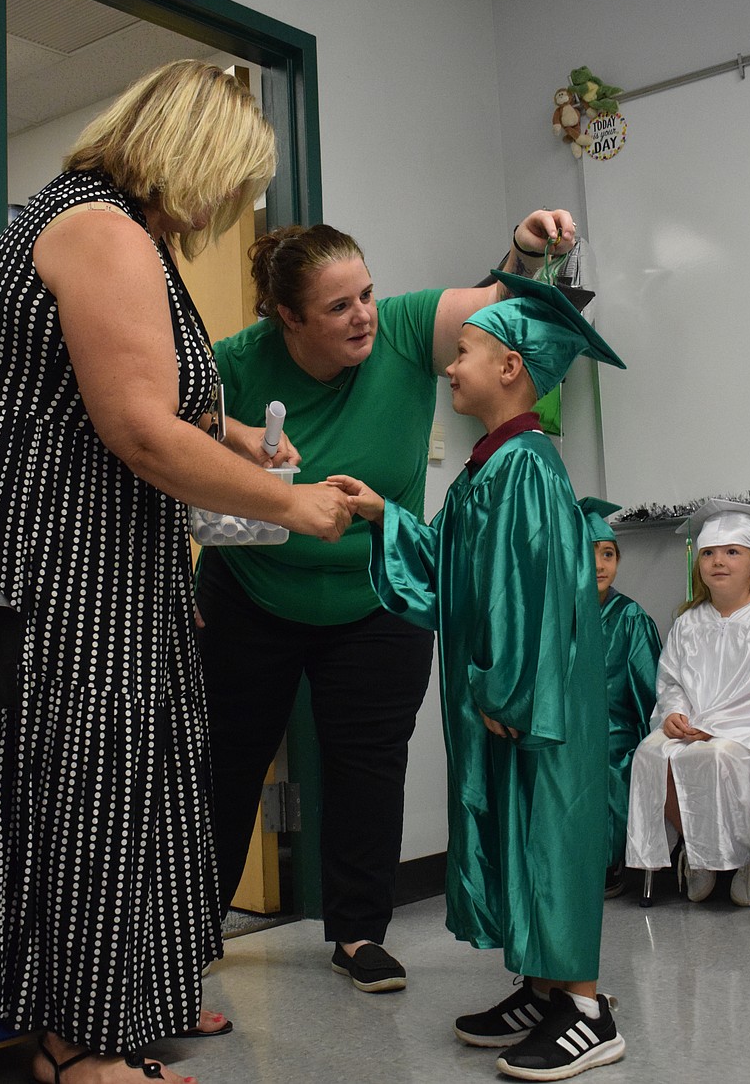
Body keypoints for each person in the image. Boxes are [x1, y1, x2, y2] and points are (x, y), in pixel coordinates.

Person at [0, 60, 352, 1084]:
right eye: (236, 177)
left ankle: (132, 998)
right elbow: (139, 433)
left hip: (97, 549)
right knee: (86, 776)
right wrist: (293, 506)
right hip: (43, 552)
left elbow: (174, 409)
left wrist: (245, 439)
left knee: (137, 766)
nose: (233, 202)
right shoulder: (100, 231)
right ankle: (76, 1044)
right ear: (194, 155)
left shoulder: (130, 239)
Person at [194, 210, 577, 993]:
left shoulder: (405, 328)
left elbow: (497, 315)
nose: (363, 313)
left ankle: (359, 933)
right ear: (288, 317)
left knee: (368, 765)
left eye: (366, 293)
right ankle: (192, 934)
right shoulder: (233, 361)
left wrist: (526, 250)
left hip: (378, 595)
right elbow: (159, 441)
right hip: (251, 595)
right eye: (338, 307)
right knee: (226, 766)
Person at [331, 273, 627, 1081]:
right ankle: (543, 988)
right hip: (503, 698)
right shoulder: (490, 466)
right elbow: (451, 566)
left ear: (509, 368)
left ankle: (589, 1010)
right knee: (516, 834)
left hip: (530, 702)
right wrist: (379, 514)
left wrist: (508, 691)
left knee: (549, 833)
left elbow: (535, 599)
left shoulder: (527, 466)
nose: (449, 367)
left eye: (463, 353)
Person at [625, 500, 750, 908]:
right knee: (650, 754)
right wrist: (675, 713)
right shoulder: (688, 623)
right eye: (709, 552)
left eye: (732, 552)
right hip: (693, 724)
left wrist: (718, 725)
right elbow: (672, 680)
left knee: (717, 755)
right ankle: (699, 853)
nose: (718, 561)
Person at [579, 498, 661, 897]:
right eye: (587, 552)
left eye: (608, 554)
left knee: (608, 756)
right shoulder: (557, 616)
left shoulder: (631, 618)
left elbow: (651, 691)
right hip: (565, 724)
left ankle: (609, 861)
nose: (599, 565)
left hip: (617, 727)